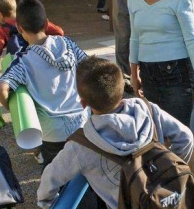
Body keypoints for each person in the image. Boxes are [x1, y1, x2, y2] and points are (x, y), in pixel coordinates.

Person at [37, 56, 194, 209]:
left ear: (83, 103)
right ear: (121, 90)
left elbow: (50, 180)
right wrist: (167, 171)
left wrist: (46, 203)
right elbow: (186, 138)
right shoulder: (148, 110)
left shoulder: (81, 145)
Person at [0, 0, 89, 168]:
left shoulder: (23, 60)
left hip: (52, 133)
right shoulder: (68, 44)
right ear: (46, 24)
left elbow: (0, 88)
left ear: (19, 28)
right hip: (83, 124)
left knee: (58, 180)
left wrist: (12, 107)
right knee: (89, 176)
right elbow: (90, 66)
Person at [128, 0, 194, 126]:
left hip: (178, 74)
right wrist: (134, 73)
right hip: (148, 75)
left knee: (179, 136)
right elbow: (135, 37)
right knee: (157, 134)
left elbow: (191, 39)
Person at [0, 0, 64, 97]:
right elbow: (59, 32)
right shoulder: (30, 19)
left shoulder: (2, 30)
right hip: (41, 63)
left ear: (0, 14)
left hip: (21, 70)